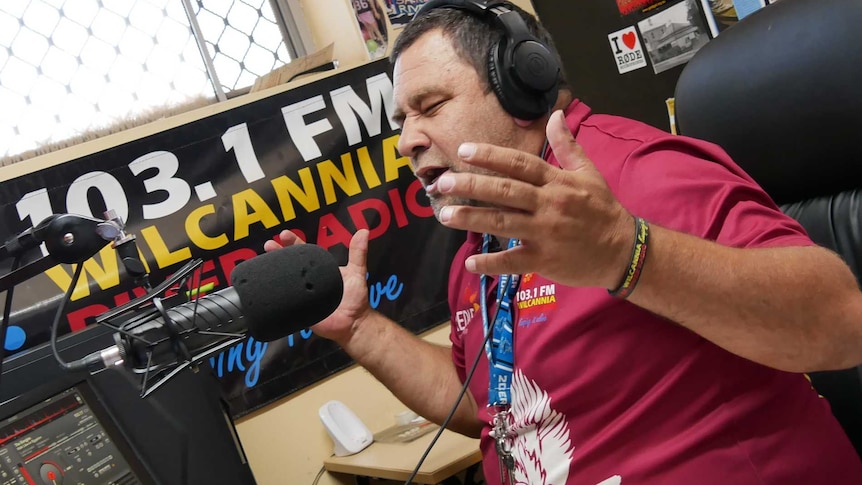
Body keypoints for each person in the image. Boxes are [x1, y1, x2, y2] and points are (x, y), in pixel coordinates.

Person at [265, 1, 862, 483]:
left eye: (431, 107)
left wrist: (625, 252)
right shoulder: (482, 238)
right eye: (401, 121)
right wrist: (360, 329)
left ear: (522, 88)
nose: (407, 141)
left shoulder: (638, 174)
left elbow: (842, 323)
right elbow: (490, 408)